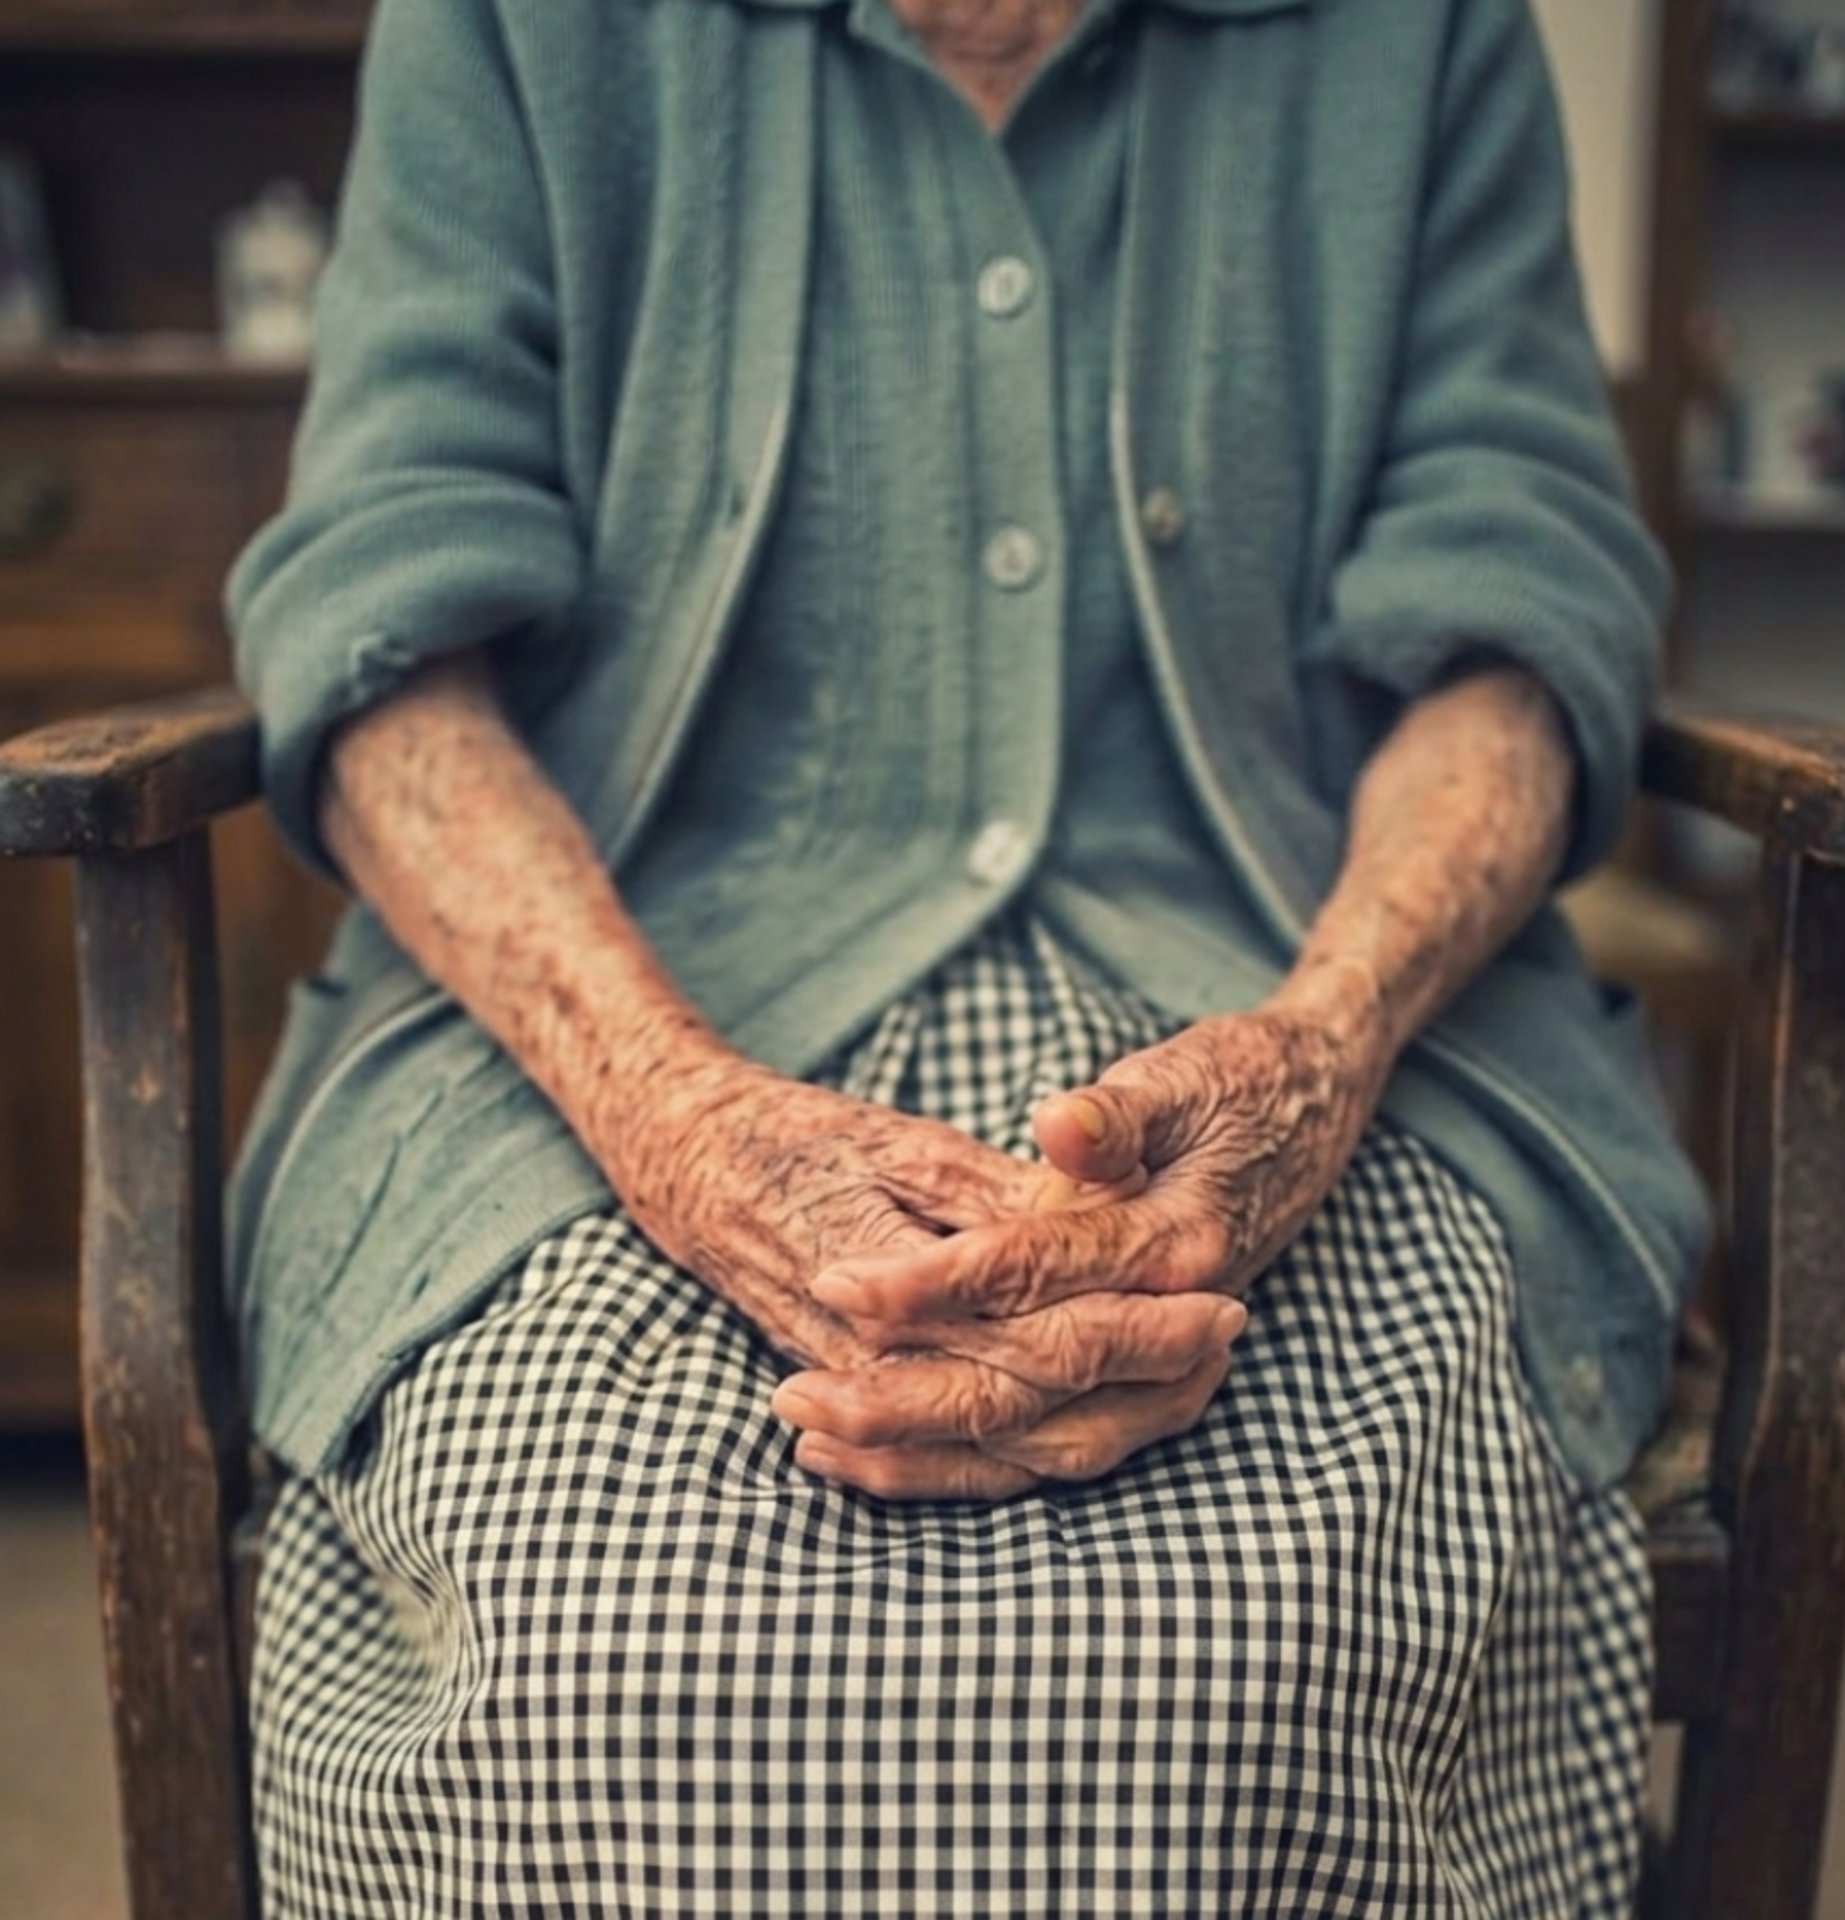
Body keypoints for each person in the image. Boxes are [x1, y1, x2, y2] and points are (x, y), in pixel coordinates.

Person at [227, 0, 1710, 1911]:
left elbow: (1524, 610)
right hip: (608, 996)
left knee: (1280, 1632)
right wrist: (674, 1114)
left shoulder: (1418, 32)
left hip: (1295, 979)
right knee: (610, 1638)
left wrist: (1328, 1046)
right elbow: (381, 612)